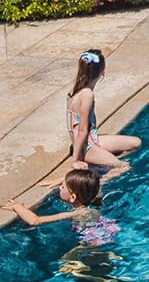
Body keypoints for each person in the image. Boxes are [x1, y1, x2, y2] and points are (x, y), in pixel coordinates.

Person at [50, 50, 142, 184]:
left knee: (135, 143)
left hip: (92, 141)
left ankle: (99, 164)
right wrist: (76, 161)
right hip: (86, 148)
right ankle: (93, 182)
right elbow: (82, 130)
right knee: (123, 167)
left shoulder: (77, 89)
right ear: (103, 71)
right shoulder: (87, 95)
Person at [4, 167, 119, 246]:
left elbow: (35, 221)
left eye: (63, 187)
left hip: (93, 241)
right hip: (105, 228)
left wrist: (17, 207)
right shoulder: (93, 197)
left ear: (73, 197)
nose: (59, 188)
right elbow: (93, 182)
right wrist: (64, 181)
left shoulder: (74, 213)